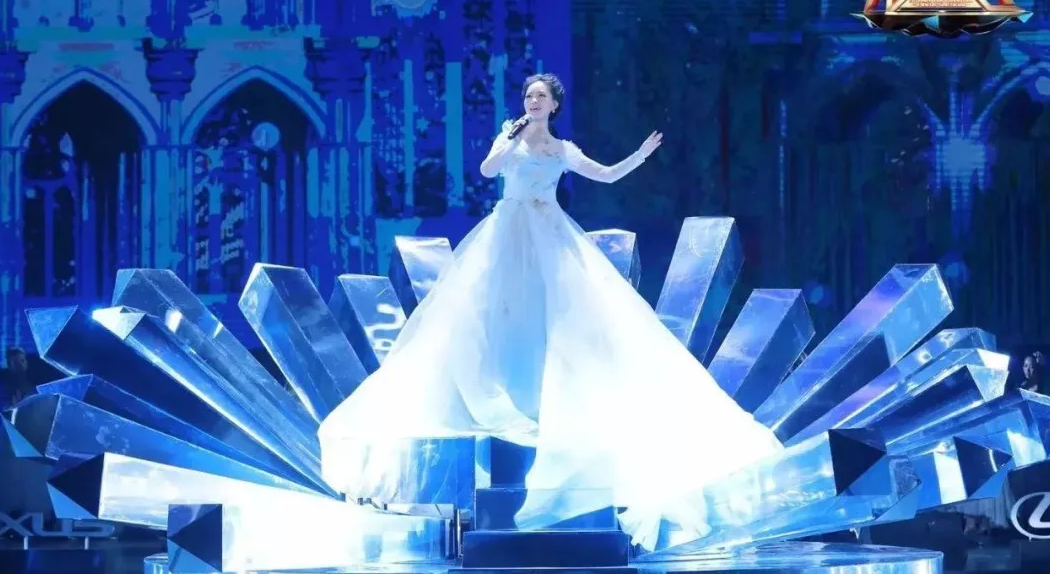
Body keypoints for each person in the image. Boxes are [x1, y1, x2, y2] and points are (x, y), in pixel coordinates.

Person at [319, 74, 783, 550]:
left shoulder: (563, 150)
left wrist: (640, 156)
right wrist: (508, 138)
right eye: (528, 95)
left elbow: (605, 175)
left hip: (550, 236)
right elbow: (487, 171)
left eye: (541, 95)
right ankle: (499, 396)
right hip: (505, 234)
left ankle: (545, 402)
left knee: (560, 321)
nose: (533, 100)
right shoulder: (510, 135)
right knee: (490, 316)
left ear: (555, 105)